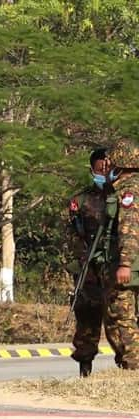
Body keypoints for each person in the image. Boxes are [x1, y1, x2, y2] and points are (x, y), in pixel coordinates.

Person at [66, 149, 120, 376]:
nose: (104, 172)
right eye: (100, 169)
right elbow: (72, 237)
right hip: (89, 267)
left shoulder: (124, 196)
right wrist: (80, 265)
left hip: (117, 265)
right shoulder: (80, 200)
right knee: (87, 317)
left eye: (108, 168)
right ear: (92, 170)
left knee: (121, 317)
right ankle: (85, 367)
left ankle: (127, 364)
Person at [101, 138, 139, 370]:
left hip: (131, 266)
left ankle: (134, 365)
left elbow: (129, 228)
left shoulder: (129, 191)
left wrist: (124, 263)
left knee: (122, 316)